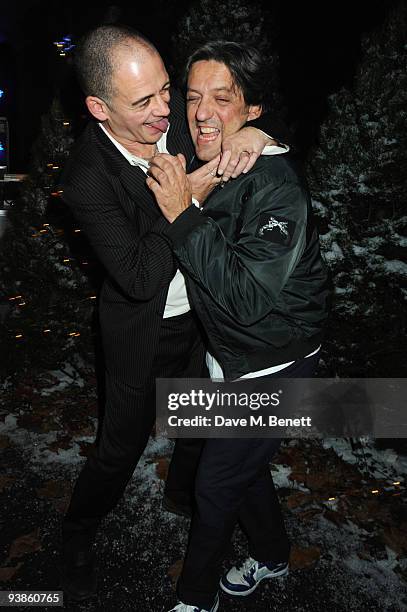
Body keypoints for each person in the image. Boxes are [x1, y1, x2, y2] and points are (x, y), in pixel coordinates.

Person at [58, 25, 288, 602]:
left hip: (201, 322)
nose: (168, 111)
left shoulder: (175, 124)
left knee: (199, 426)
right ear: (99, 108)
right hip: (140, 329)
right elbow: (138, 275)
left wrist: (256, 134)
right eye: (145, 102)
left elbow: (228, 121)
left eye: (167, 90)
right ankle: (77, 534)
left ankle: (185, 496)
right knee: (118, 448)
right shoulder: (87, 177)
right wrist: (187, 199)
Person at [147, 40, 330, 612]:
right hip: (231, 356)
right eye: (193, 97)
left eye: (222, 99)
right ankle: (273, 554)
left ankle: (195, 598)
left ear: (251, 109)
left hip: (276, 361)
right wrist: (250, 129)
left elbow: (248, 298)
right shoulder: (208, 152)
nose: (201, 112)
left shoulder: (275, 184)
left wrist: (181, 213)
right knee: (242, 469)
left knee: (216, 482)